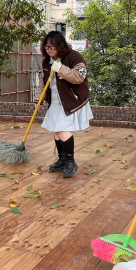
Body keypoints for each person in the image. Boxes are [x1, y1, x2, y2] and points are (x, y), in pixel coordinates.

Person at [34, 31, 93, 178]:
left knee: (62, 129)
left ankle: (71, 162)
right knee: (57, 130)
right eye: (47, 46)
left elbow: (79, 77)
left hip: (71, 100)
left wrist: (60, 68)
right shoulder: (46, 60)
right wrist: (38, 99)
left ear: (60, 45)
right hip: (55, 101)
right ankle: (63, 160)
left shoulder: (74, 57)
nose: (49, 50)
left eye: (52, 47)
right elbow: (43, 81)